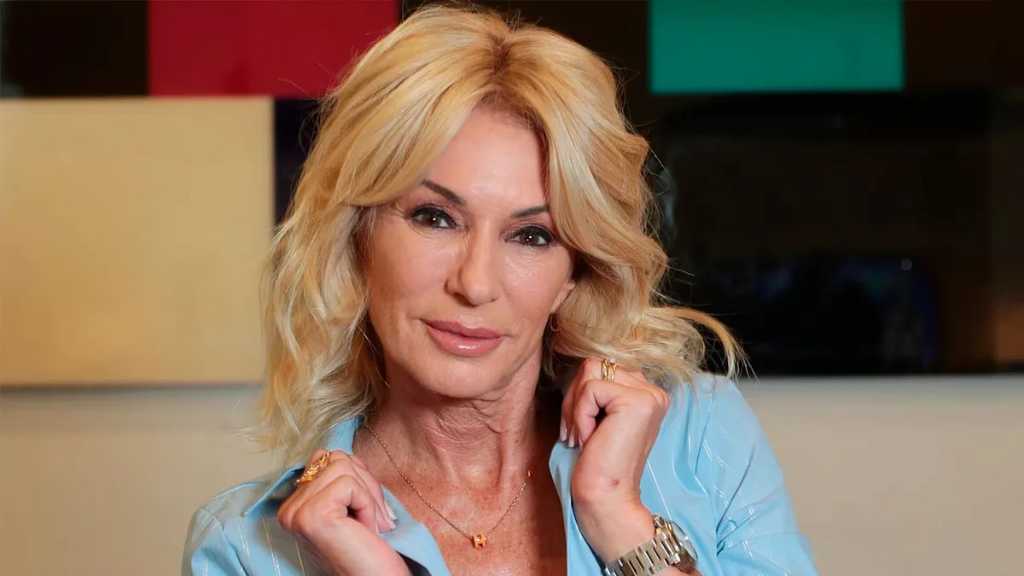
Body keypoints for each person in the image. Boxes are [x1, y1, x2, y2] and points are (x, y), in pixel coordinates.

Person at [183, 4, 818, 575]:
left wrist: (619, 520)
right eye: (435, 218)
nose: (475, 283)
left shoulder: (699, 437)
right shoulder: (249, 550)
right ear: (358, 237)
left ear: (575, 272)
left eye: (532, 236)